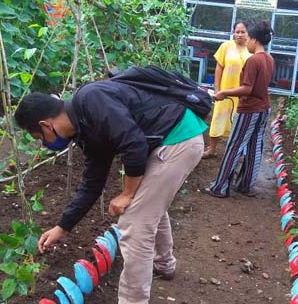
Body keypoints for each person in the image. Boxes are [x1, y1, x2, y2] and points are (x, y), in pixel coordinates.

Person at [13, 75, 206, 304]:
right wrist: (62, 227)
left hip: (178, 139)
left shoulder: (91, 99)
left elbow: (134, 145)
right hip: (169, 138)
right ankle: (164, 263)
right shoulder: (84, 128)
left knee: (134, 222)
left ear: (46, 125)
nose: (45, 144)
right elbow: (92, 183)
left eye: (40, 138)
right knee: (148, 203)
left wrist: (126, 194)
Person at [204, 21, 275, 198]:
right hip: (264, 108)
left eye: (248, 37)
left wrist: (224, 92)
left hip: (249, 109)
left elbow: (247, 88)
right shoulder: (269, 59)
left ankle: (220, 187)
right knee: (254, 146)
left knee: (234, 146)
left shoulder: (253, 60)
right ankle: (245, 185)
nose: (246, 40)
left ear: (255, 40)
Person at [202, 21, 251, 159]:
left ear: (248, 33)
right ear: (233, 33)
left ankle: (236, 151)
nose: (240, 35)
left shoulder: (251, 50)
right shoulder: (226, 46)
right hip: (224, 91)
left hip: (241, 93)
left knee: (238, 121)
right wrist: (217, 89)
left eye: (243, 32)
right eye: (237, 31)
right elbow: (219, 68)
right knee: (218, 118)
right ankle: (211, 149)